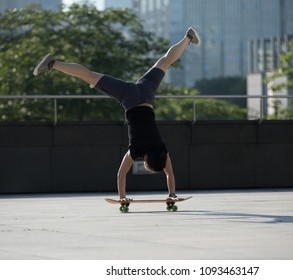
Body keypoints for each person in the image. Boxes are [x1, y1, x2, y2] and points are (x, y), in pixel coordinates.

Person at [33, 27, 201, 202]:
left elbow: (170, 174)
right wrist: (122, 197)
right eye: (146, 165)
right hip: (129, 96)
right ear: (147, 159)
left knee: (165, 62)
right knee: (90, 76)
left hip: (146, 91)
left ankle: (187, 37)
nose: (144, 164)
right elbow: (121, 174)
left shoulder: (162, 149)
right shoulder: (137, 149)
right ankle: (52, 63)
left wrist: (172, 193)